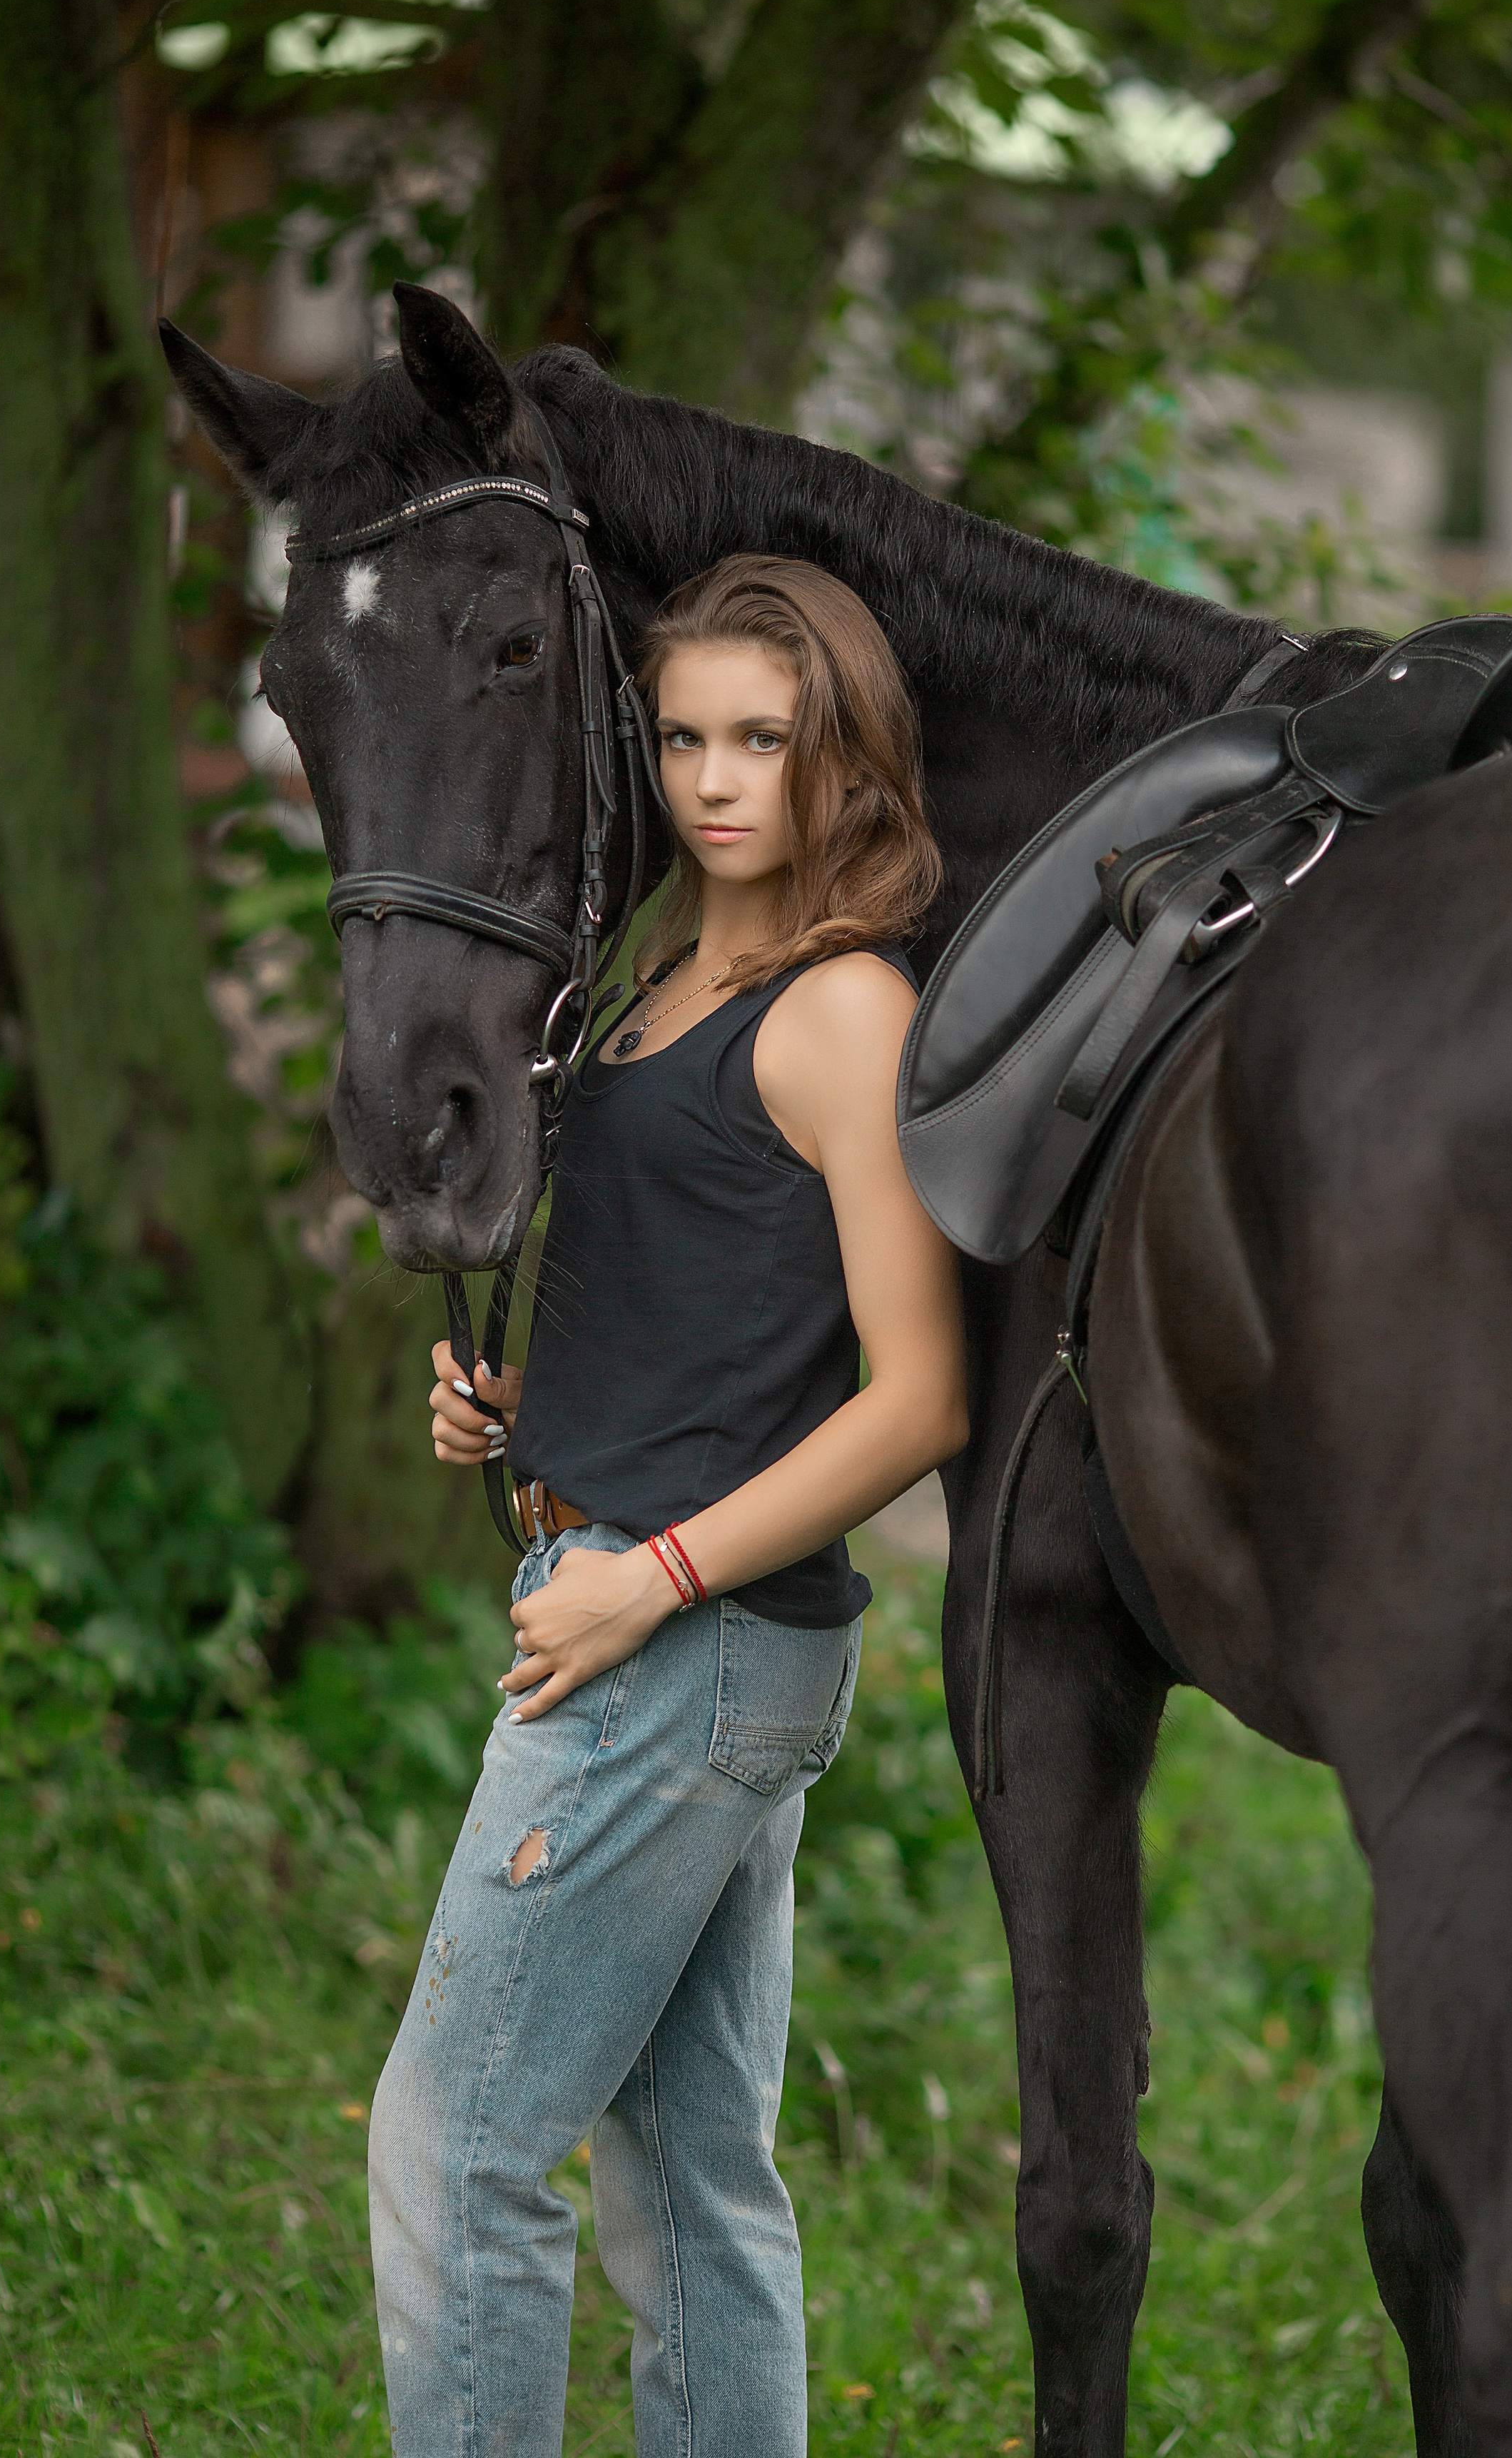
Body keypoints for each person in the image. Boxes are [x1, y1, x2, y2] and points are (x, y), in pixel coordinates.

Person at [368, 554, 968, 2457]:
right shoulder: (655, 979)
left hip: (682, 1645)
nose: (718, 780)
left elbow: (920, 1396)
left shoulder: (838, 1011)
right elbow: (729, 1319)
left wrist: (652, 1577)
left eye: (764, 742)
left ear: (840, 761)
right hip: (676, 1624)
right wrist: (536, 1408)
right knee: (690, 2178)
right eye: (686, 737)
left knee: (452, 2148)